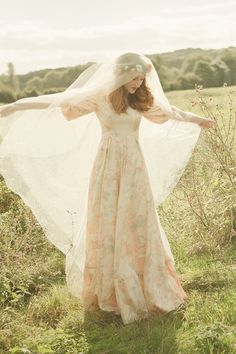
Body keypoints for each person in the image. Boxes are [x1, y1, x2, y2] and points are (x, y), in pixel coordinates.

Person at [0, 52, 215, 325]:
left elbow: (171, 111)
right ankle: (111, 292)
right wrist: (16, 106)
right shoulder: (101, 97)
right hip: (108, 168)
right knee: (108, 220)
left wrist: (198, 120)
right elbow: (55, 102)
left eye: (141, 78)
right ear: (122, 74)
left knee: (137, 220)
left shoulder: (141, 99)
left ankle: (147, 287)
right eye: (133, 77)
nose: (138, 82)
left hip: (135, 168)